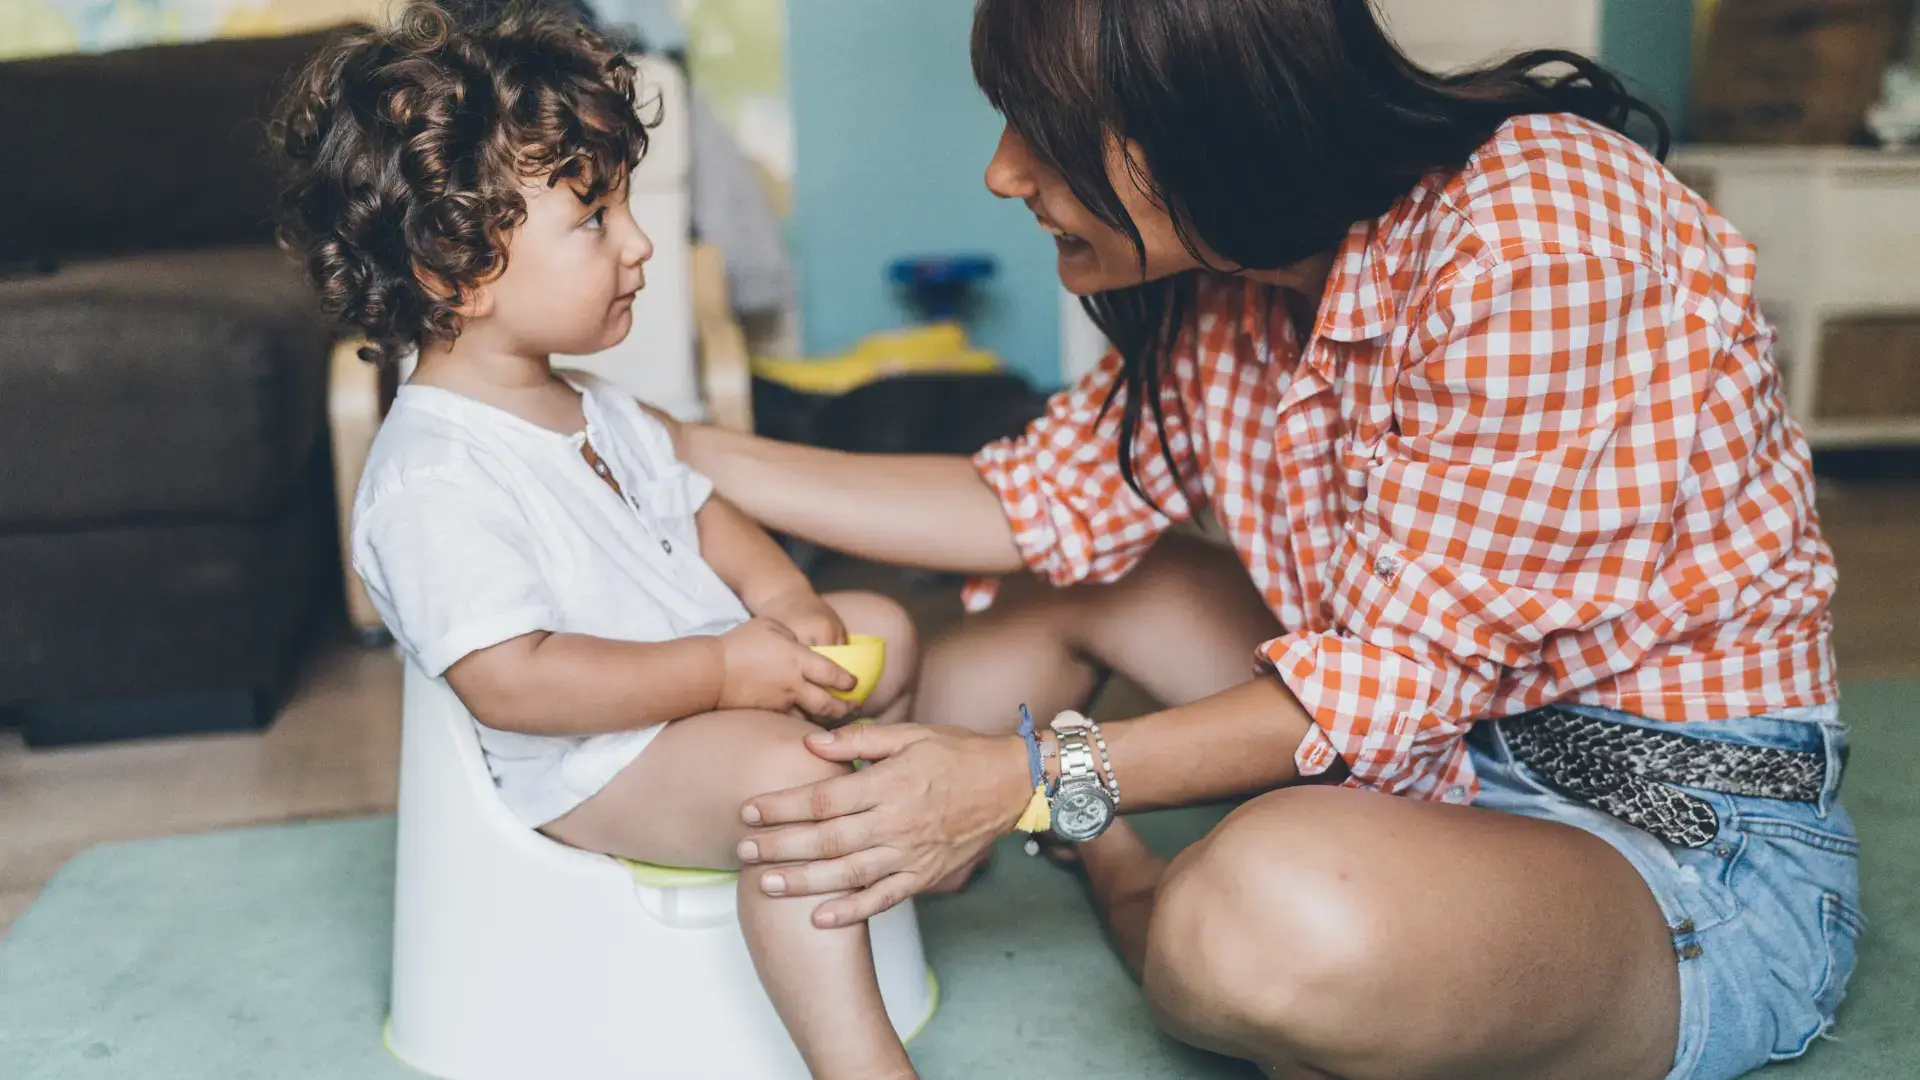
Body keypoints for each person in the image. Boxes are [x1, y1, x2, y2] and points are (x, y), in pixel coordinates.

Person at [675, 2, 1859, 1078]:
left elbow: (1397, 684)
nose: (1001, 173)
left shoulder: (1539, 237)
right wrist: (672, 449)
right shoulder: (1236, 277)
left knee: (1256, 920)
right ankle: (929, 806)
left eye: (1041, 129)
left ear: (1209, 115)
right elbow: (1029, 502)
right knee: (1090, 584)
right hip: (1438, 746)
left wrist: (1029, 789)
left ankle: (1114, 860)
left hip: (1677, 841)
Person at [275, 6, 922, 1078]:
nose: (640, 242)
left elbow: (706, 513)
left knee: (885, 627)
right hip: (595, 763)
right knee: (800, 789)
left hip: (706, 687)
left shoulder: (596, 404)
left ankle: (900, 865)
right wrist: (723, 671)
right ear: (454, 269)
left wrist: (788, 606)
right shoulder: (434, 476)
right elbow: (515, 685)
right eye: (594, 217)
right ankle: (857, 1057)